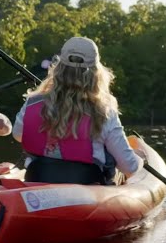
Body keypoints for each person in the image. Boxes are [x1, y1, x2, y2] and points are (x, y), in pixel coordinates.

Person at [12, 36, 145, 185]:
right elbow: (130, 167)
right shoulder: (104, 112)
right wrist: (140, 159)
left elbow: (18, 134)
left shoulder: (32, 102)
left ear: (58, 68)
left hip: (37, 181)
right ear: (96, 73)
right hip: (87, 192)